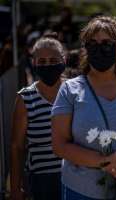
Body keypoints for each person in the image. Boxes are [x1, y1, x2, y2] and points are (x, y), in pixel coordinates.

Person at [51, 16, 116, 200]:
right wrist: (107, 163)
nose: (99, 48)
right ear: (85, 49)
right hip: (82, 190)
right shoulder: (70, 89)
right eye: (92, 43)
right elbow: (60, 145)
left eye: (106, 43)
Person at [10, 36, 64, 200]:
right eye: (42, 61)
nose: (47, 65)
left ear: (64, 60)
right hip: (42, 181)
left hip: (77, 176)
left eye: (53, 60)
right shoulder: (25, 98)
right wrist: (15, 188)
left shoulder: (75, 92)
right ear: (33, 63)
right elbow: (17, 147)